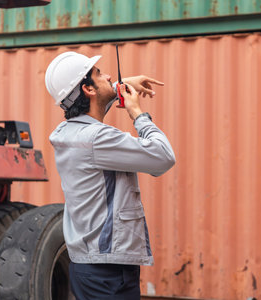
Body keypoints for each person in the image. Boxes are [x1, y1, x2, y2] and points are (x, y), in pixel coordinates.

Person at [45, 51, 176, 299]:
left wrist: (117, 87)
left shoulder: (67, 132)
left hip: (93, 263)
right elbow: (163, 156)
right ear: (88, 89)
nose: (108, 75)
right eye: (99, 74)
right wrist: (139, 114)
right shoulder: (97, 139)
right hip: (107, 269)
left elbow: (88, 99)